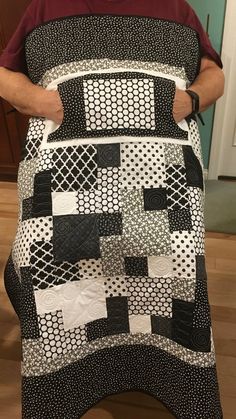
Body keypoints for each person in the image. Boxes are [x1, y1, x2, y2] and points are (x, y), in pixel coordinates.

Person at [0, 1, 224, 418]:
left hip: (163, 181)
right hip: (68, 179)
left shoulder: (177, 8)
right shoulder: (46, 6)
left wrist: (191, 100)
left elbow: (214, 74)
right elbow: (5, 73)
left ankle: (168, 375)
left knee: (173, 268)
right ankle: (65, 380)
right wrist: (39, 101)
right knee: (57, 266)